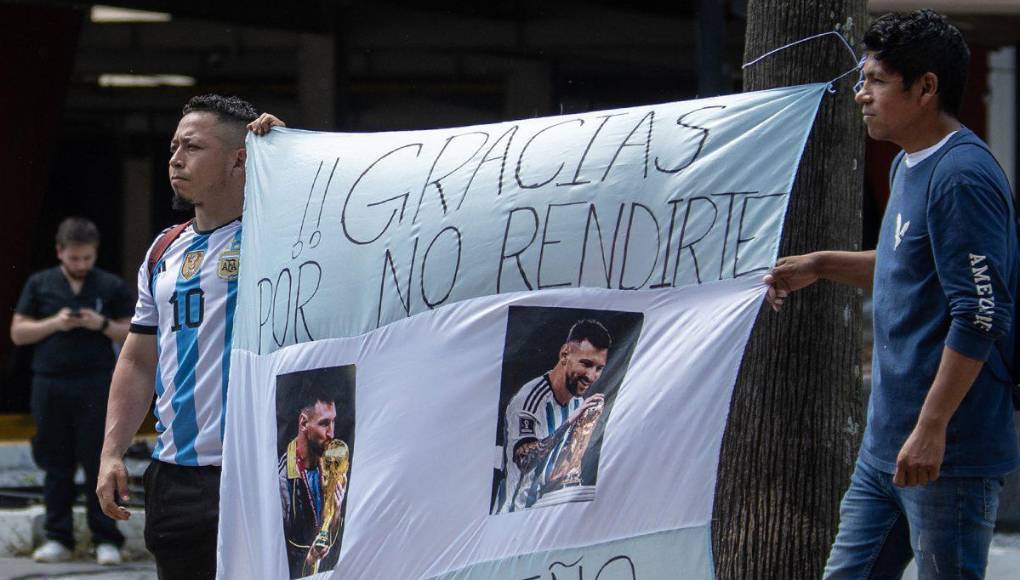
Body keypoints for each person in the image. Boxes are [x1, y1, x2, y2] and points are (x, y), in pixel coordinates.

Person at [764, 10, 1019, 579]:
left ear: (925, 87)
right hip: (886, 450)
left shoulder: (961, 176)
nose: (861, 95)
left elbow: (979, 312)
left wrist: (931, 431)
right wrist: (823, 264)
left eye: (876, 81)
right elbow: (912, 266)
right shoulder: (910, 163)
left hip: (945, 457)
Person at [95, 95, 283, 579]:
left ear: (239, 158)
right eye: (174, 146)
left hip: (259, 473)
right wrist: (112, 451)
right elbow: (138, 360)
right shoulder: (164, 250)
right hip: (175, 474)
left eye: (193, 147)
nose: (175, 158)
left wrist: (288, 157)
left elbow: (340, 208)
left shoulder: (282, 234)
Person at [11, 217, 133, 565]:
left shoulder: (109, 285)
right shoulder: (40, 283)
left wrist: (102, 325)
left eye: (87, 258)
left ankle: (108, 538)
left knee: (101, 459)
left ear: (95, 254)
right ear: (60, 252)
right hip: (49, 382)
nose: (80, 265)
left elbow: (133, 333)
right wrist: (55, 323)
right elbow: (18, 333)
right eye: (74, 258)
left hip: (96, 383)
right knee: (55, 462)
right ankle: (58, 536)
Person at [494, 319, 610, 514]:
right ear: (565, 354)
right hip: (513, 516)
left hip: (544, 516)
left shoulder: (577, 403)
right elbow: (525, 462)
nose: (591, 376)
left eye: (598, 368)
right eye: (586, 364)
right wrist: (569, 422)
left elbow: (560, 471)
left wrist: (583, 434)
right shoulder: (529, 400)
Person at [278, 384, 349, 578]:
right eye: (324, 423)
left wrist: (335, 514)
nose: (331, 434)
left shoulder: (332, 466)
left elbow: (332, 542)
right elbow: (277, 556)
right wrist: (308, 561)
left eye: (333, 422)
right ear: (303, 424)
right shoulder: (282, 481)